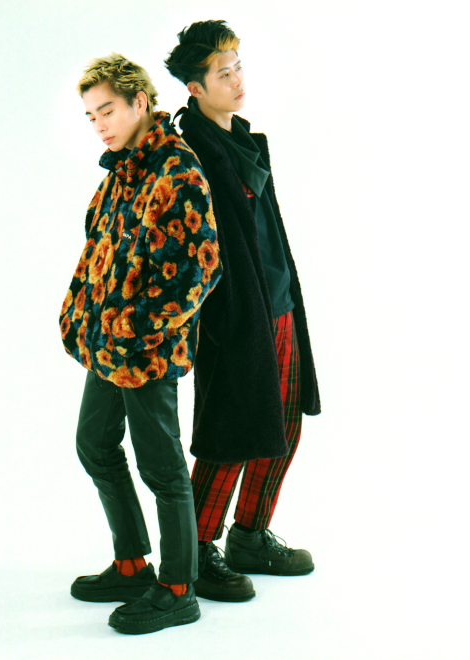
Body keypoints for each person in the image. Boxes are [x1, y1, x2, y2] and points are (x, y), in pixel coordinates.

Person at [59, 53, 221, 633]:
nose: (98, 124)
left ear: (140, 103)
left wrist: (136, 329)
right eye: (90, 115)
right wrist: (80, 317)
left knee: (163, 467)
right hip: (108, 346)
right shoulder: (122, 172)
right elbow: (97, 251)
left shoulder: (177, 171)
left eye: (107, 110)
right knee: (94, 444)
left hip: (146, 352)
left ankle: (178, 588)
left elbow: (200, 270)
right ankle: (131, 564)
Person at [164, 21, 321, 603]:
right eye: (222, 73)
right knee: (230, 432)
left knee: (283, 425)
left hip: (277, 303)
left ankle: (250, 536)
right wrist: (216, 317)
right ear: (195, 88)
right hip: (234, 317)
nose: (236, 80)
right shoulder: (189, 152)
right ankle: (197, 550)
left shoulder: (245, 140)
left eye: (238, 68)